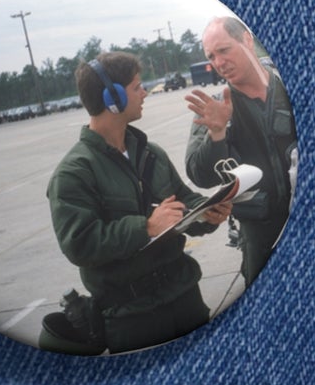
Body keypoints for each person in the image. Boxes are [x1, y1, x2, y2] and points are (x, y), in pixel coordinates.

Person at [44, 52, 232, 354]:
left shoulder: (151, 153)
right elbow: (78, 243)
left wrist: (209, 212)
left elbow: (183, 200)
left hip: (185, 298)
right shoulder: (73, 173)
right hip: (132, 319)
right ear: (113, 98)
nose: (144, 92)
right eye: (136, 87)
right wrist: (145, 227)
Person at [184, 17, 297, 286]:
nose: (219, 62)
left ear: (247, 40)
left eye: (224, 50)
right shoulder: (216, 109)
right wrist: (217, 133)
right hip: (261, 235)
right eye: (212, 56)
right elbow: (199, 174)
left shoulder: (287, 90)